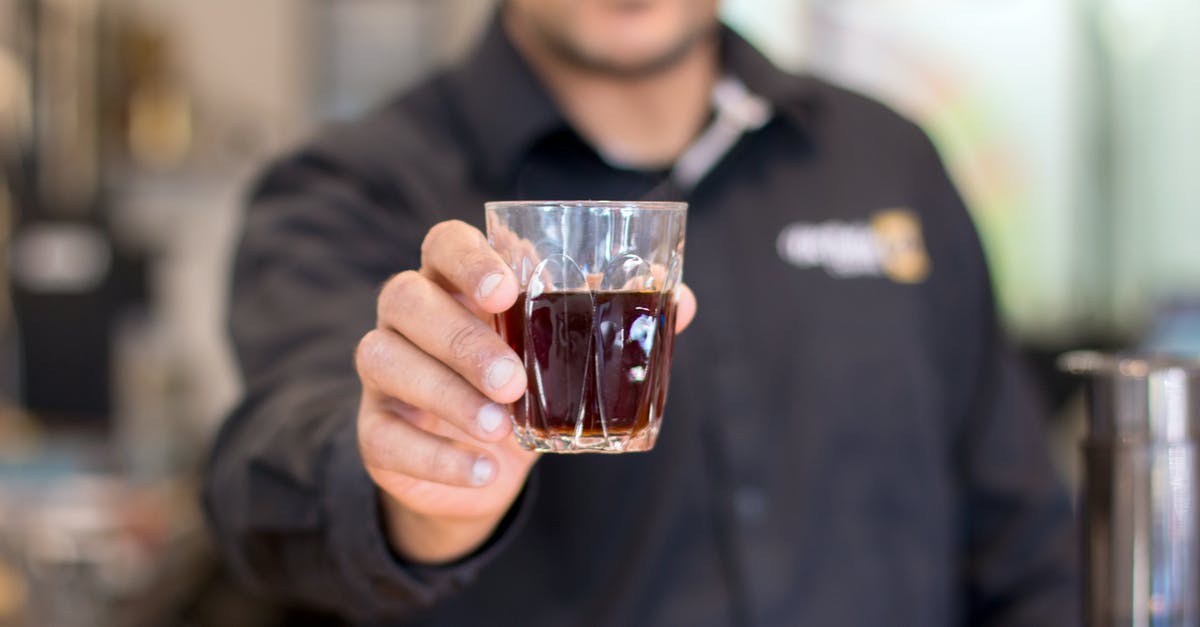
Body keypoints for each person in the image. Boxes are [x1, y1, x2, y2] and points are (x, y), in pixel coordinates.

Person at [205, 0, 1079, 624]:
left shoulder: (888, 162)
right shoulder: (354, 187)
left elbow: (1024, 537)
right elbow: (264, 486)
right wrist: (423, 494)